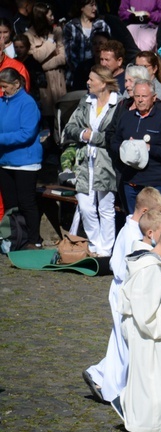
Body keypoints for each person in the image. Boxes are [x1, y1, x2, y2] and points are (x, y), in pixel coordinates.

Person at [82, 187, 161, 404]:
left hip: (130, 290)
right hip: (123, 291)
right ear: (146, 212)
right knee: (124, 340)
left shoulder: (134, 231)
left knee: (125, 339)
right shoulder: (130, 233)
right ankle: (112, 387)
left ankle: (101, 374)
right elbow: (118, 266)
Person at [114, 225, 161, 432]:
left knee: (155, 375)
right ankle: (145, 424)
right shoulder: (149, 268)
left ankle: (156, 420)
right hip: (145, 332)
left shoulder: (152, 266)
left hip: (146, 329)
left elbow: (149, 296)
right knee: (151, 377)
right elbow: (143, 307)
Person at [62, 65, 121, 257]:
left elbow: (114, 137)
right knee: (85, 206)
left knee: (105, 207)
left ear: (103, 83)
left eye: (92, 79)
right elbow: (70, 127)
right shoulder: (85, 101)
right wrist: (82, 134)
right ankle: (95, 244)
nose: (88, 82)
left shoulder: (118, 104)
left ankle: (106, 250)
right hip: (85, 162)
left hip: (107, 163)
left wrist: (93, 136)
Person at [111, 79, 161, 213]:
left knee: (156, 227)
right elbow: (113, 142)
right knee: (134, 227)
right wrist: (125, 147)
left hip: (155, 186)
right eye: (137, 96)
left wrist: (148, 148)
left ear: (154, 98)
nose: (140, 100)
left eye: (144, 96)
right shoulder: (126, 118)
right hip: (131, 184)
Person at [0, 67, 42, 249]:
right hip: (5, 161)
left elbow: (26, 133)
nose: (3, 90)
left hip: (25, 162)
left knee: (26, 203)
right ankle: (17, 237)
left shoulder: (28, 103)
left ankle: (34, 240)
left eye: (5, 86)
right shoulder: (2, 101)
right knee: (11, 204)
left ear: (16, 84)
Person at [25, 2, 66, 119]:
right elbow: (35, 59)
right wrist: (50, 43)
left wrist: (44, 61)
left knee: (60, 117)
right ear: (41, 18)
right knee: (45, 119)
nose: (53, 18)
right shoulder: (29, 36)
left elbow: (62, 58)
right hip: (44, 86)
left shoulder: (57, 30)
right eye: (50, 16)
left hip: (59, 83)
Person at [64, 0, 111, 89]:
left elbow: (108, 50)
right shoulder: (70, 27)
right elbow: (69, 56)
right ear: (82, 7)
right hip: (77, 77)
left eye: (95, 5)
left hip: (100, 76)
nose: (95, 8)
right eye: (91, 5)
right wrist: (83, 71)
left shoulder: (102, 25)